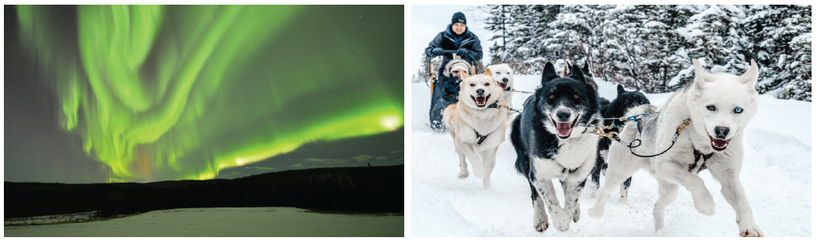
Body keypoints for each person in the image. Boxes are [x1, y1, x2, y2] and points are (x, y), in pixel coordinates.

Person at [425, 12, 483, 77]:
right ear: (452, 25)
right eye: (456, 25)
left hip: (466, 67)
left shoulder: (472, 38)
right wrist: (434, 51)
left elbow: (479, 55)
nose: (459, 27)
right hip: (446, 67)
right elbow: (428, 50)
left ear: (465, 26)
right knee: (441, 81)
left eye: (462, 25)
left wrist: (468, 52)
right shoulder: (442, 36)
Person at [429, 59, 472, 132]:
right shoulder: (445, 83)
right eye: (456, 72)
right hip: (448, 103)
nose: (459, 74)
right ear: (451, 72)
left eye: (462, 72)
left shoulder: (471, 84)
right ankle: (439, 123)